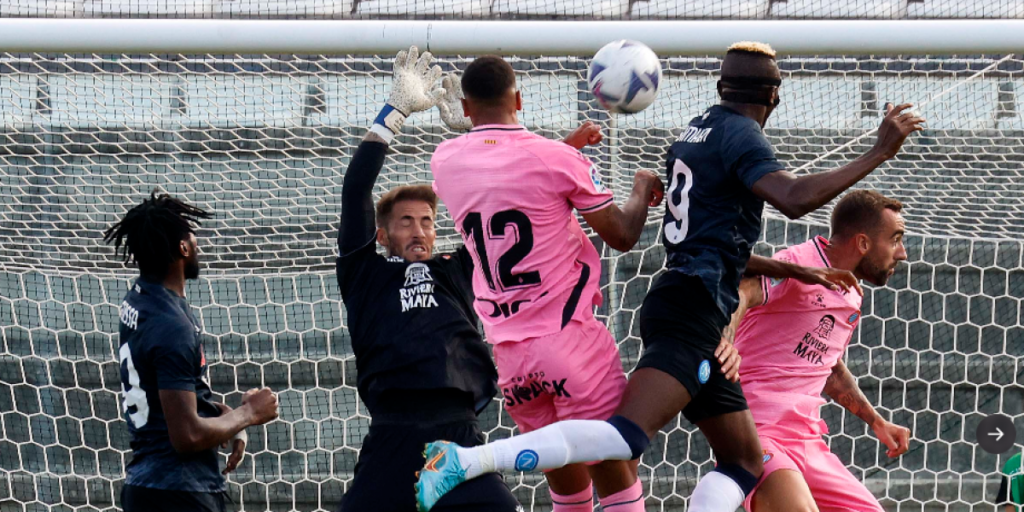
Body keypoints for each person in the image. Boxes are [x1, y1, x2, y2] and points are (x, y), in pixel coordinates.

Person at [416, 41, 924, 512]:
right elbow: (794, 200)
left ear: (722, 88)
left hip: (673, 306)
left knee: (743, 463)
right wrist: (880, 151)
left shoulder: (694, 131)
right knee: (623, 439)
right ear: (773, 96)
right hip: (686, 309)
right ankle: (467, 461)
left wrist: (787, 274)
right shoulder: (740, 134)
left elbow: (713, 245)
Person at [335, 45, 530, 512]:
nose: (419, 229)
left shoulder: (459, 269)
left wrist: (485, 138)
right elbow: (356, 188)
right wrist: (395, 110)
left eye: (426, 220)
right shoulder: (365, 274)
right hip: (390, 435)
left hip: (458, 435)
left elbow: (509, 196)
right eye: (405, 221)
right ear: (382, 234)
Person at [724, 190, 912, 512]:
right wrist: (725, 339)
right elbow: (744, 292)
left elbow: (829, 367)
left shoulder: (852, 294)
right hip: (757, 432)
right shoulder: (799, 263)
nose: (902, 253)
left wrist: (876, 421)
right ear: (863, 244)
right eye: (895, 240)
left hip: (808, 440)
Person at [105, 193, 280, 512]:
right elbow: (186, 436)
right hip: (178, 493)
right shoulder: (172, 325)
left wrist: (213, 410)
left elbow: (155, 383)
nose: (197, 243)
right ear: (183, 248)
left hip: (148, 488)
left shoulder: (138, 300)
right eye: (191, 236)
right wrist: (249, 414)